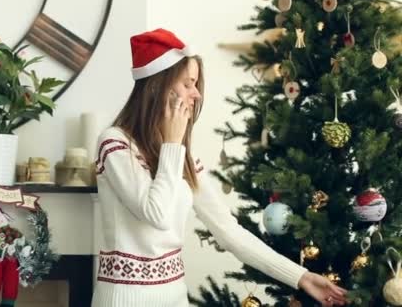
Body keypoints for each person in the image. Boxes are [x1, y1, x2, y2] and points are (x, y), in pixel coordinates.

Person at [90, 28, 347, 307]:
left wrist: (302, 277)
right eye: (188, 83)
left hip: (174, 298)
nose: (196, 95)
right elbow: (156, 214)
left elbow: (229, 231)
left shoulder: (179, 157)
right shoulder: (115, 144)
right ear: (157, 85)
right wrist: (173, 144)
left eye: (196, 85)